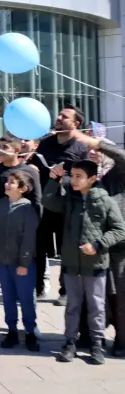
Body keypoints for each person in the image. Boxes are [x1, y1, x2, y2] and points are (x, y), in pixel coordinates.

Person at [45, 160, 125, 365]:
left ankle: (96, 345)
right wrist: (54, 180)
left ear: (92, 179)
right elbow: (48, 201)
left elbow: (119, 230)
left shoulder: (105, 201)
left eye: (79, 176)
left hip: (95, 265)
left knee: (96, 306)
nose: (73, 180)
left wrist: (98, 245)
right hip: (71, 264)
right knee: (73, 306)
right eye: (72, 175)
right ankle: (70, 343)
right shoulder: (70, 200)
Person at [0, 135, 42, 337]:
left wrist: (33, 231)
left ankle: (30, 324)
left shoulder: (30, 172)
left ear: (16, 150)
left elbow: (37, 202)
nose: (0, 149)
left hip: (22, 231)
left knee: (25, 279)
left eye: (4, 146)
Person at [27, 105, 90, 304]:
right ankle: (38, 288)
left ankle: (65, 291)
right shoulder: (46, 143)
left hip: (67, 206)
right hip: (43, 204)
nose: (59, 118)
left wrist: (66, 178)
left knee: (67, 250)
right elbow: (34, 168)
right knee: (39, 247)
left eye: (65, 116)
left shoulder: (81, 147)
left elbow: (86, 177)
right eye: (59, 115)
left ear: (76, 123)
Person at [70, 130, 125, 357]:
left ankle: (121, 339)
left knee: (118, 294)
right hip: (90, 247)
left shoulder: (117, 174)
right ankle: (91, 337)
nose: (91, 152)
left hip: (118, 246)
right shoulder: (88, 177)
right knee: (90, 295)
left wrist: (98, 143)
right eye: (89, 150)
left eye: (96, 150)